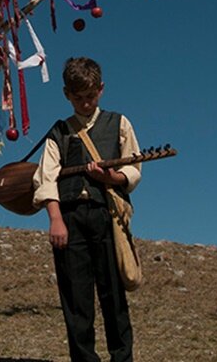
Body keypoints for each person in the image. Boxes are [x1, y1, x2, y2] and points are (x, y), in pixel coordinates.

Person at [32, 57, 141, 362]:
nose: (85, 103)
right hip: (69, 218)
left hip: (107, 216)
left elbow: (133, 169)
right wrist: (55, 220)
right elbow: (46, 178)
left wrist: (111, 178)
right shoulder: (59, 132)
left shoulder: (119, 123)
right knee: (76, 300)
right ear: (67, 94)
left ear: (101, 90)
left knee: (113, 295)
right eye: (78, 97)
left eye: (91, 96)